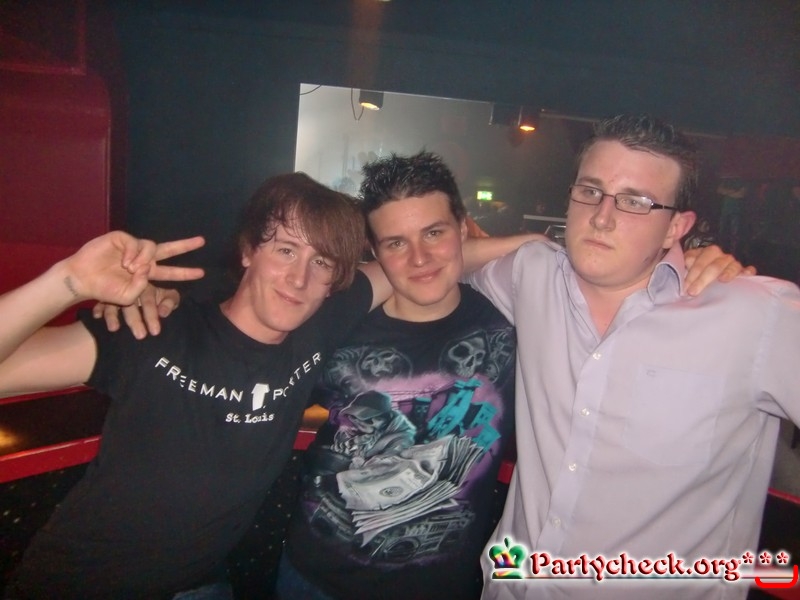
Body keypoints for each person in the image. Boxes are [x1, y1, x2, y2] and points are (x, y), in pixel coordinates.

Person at [0, 173, 382, 600]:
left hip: (198, 584)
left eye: (322, 262)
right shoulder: (155, 330)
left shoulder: (319, 327)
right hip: (80, 586)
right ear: (248, 251)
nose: (299, 278)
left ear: (335, 281)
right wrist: (68, 282)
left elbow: (411, 264)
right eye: (286, 250)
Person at [467, 115, 800, 599]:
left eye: (635, 201)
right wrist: (523, 241)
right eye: (590, 191)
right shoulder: (530, 274)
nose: (602, 217)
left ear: (676, 227)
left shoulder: (752, 315)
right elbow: (429, 264)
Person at [275, 151, 521, 600]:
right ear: (374, 250)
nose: (419, 258)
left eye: (434, 233)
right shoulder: (337, 323)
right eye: (396, 243)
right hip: (316, 580)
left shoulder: (508, 324)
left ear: (463, 227)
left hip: (443, 587)